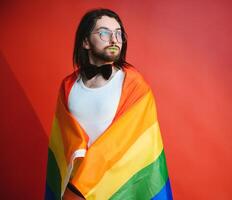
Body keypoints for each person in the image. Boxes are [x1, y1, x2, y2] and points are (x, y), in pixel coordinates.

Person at [45, 8, 173, 200]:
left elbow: (132, 146)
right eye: (104, 33)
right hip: (74, 192)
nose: (114, 40)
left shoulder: (134, 86)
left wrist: (85, 182)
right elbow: (62, 145)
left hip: (116, 190)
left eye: (119, 33)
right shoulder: (67, 87)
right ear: (85, 41)